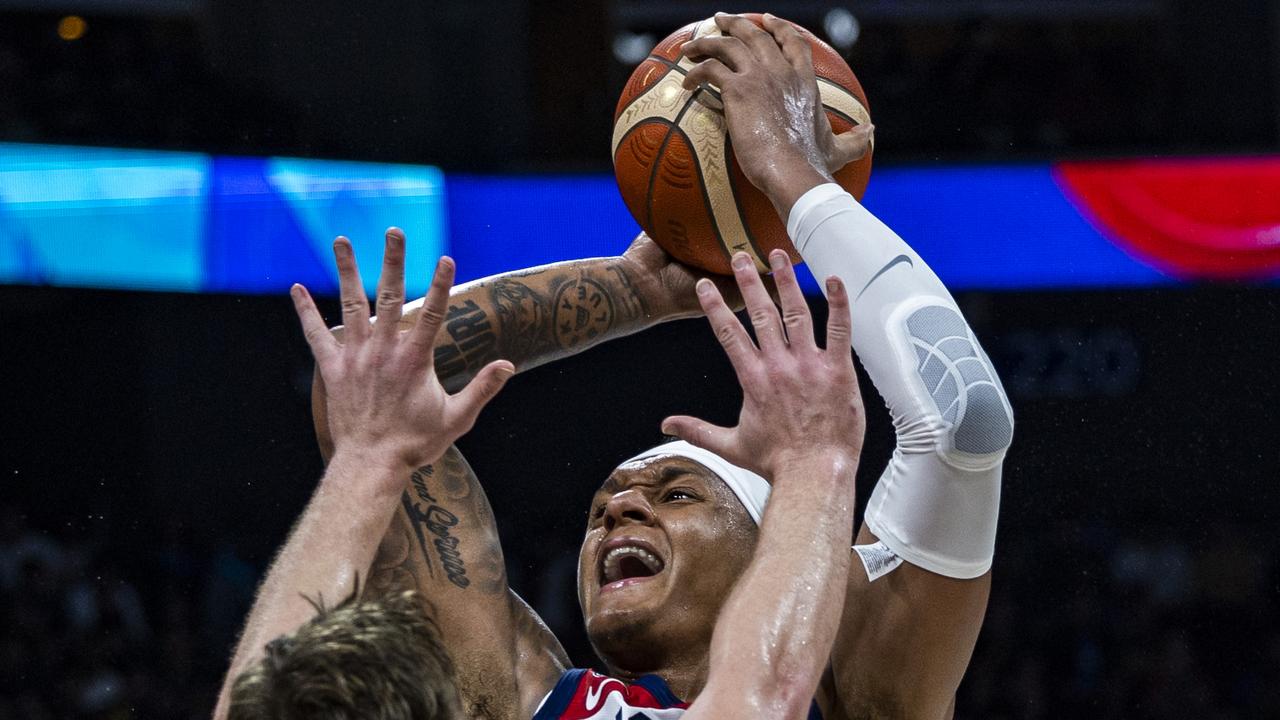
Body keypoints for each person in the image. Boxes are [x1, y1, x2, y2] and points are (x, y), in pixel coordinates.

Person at [245, 12, 1013, 720]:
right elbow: (383, 390)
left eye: (677, 493)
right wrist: (636, 289)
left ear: (778, 550)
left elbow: (966, 417)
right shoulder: (508, 688)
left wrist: (790, 175)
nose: (617, 512)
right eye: (601, 508)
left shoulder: (863, 693)